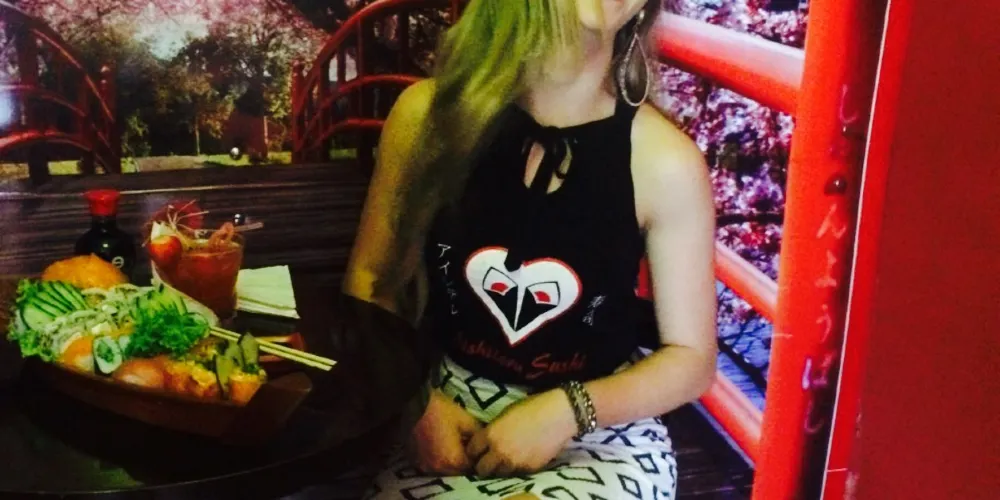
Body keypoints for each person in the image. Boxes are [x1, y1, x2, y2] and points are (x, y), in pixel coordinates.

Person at [343, 0, 718, 498]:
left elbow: (692, 358)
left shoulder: (666, 161)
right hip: (443, 406)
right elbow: (370, 279)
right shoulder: (427, 117)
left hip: (599, 428)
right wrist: (414, 404)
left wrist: (565, 411)